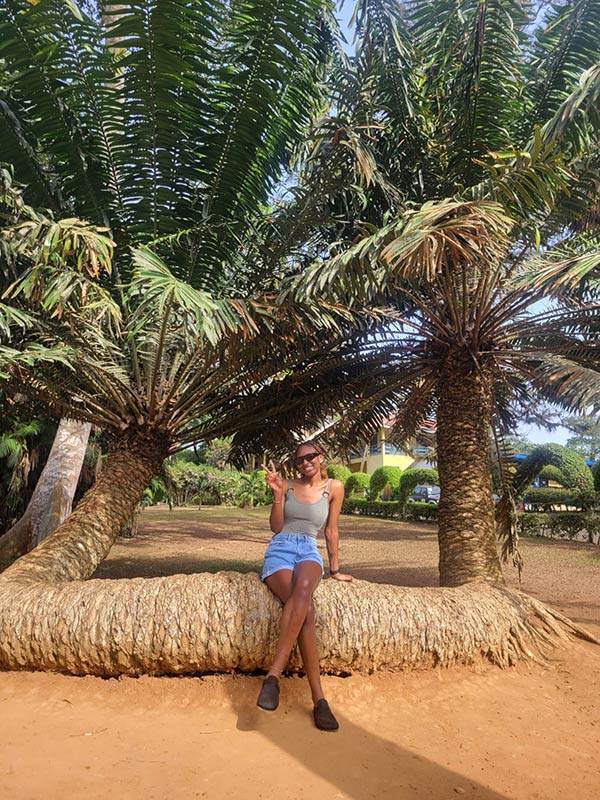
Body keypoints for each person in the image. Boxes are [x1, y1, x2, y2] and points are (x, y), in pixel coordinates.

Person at [257, 441, 352, 732]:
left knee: (303, 594)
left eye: (310, 456)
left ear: (321, 457)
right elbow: (275, 526)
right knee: (306, 610)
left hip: (309, 551)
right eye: (299, 459)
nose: (305, 462)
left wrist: (334, 569)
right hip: (281, 549)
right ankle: (319, 699)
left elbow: (331, 529)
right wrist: (276, 495)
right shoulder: (285, 484)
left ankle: (273, 676)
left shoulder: (334, 488)